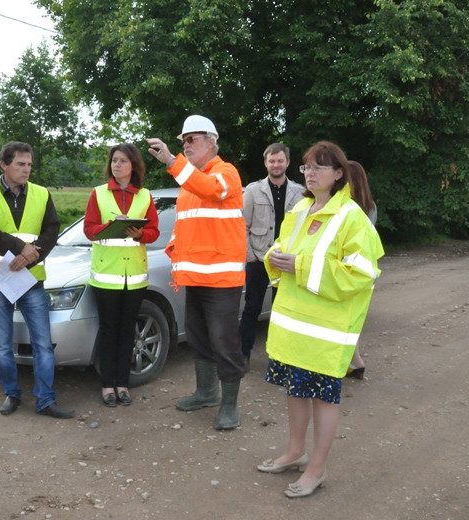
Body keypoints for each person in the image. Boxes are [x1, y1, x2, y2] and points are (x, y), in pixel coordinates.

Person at [256, 141, 383, 498]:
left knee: (324, 399)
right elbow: (283, 247)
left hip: (326, 331)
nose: (310, 173)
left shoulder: (352, 218)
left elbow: (361, 274)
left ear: (339, 174)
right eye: (307, 167)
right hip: (293, 326)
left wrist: (299, 265)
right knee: (296, 391)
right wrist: (275, 257)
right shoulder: (300, 209)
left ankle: (317, 467)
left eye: (318, 167)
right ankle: (295, 452)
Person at [147, 115, 247, 430]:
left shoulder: (225, 173)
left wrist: (171, 160)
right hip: (195, 278)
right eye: (183, 141)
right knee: (199, 338)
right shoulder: (189, 185)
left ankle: (229, 406)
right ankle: (206, 393)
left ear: (211, 141)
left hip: (222, 280)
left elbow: (211, 190)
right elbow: (186, 226)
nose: (186, 145)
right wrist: (174, 253)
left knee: (224, 342)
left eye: (191, 139)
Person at [0, 141, 74, 419]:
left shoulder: (42, 194)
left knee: (43, 344)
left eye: (29, 164)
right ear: (3, 165)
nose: (26, 169)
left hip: (32, 278)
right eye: (20, 164)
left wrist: (31, 257)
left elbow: (52, 229)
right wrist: (20, 249)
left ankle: (45, 400)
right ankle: (12, 394)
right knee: (2, 346)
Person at [83, 144, 160, 407]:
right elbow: (89, 230)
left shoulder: (145, 196)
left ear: (133, 165)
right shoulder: (98, 193)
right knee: (108, 331)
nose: (117, 165)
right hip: (106, 276)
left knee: (128, 332)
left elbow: (154, 232)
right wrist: (113, 226)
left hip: (135, 277)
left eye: (123, 161)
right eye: (114, 160)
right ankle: (107, 385)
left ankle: (123, 385)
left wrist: (140, 234)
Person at [239, 143, 305, 364]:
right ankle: (243, 354)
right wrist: (250, 257)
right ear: (265, 163)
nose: (276, 165)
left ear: (288, 162)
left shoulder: (300, 193)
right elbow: (242, 226)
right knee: (251, 308)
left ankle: (279, 357)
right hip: (259, 259)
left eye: (280, 161)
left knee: (283, 311)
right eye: (272, 161)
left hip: (286, 261)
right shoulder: (252, 190)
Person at [346, 160, 378, 378]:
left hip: (349, 269)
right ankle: (356, 362)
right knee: (353, 318)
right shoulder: (370, 206)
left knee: (344, 319)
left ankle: (353, 362)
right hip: (366, 269)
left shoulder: (348, 208)